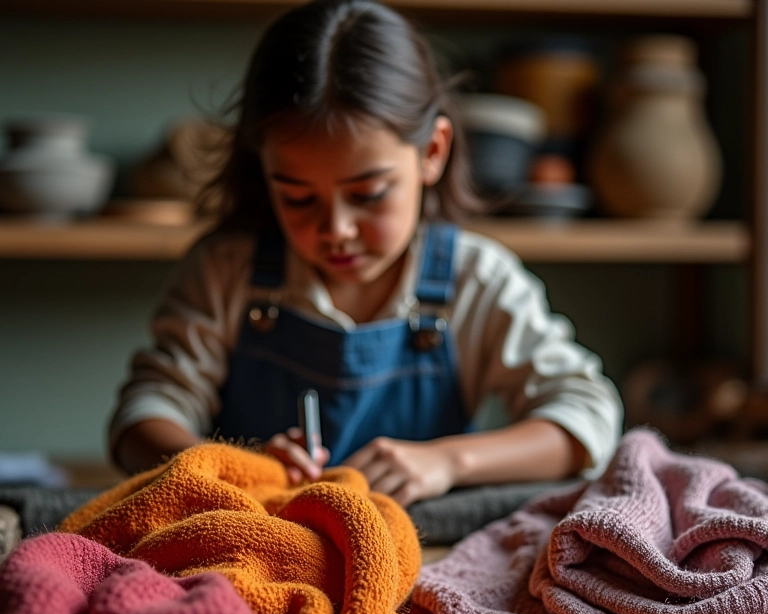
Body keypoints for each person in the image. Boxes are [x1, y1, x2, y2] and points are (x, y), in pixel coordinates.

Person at [109, 0, 623, 506]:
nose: (337, 230)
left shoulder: (476, 279)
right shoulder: (226, 273)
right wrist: (230, 470)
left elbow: (586, 416)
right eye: (297, 197)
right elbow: (143, 418)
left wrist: (448, 461)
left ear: (432, 153)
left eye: (368, 195)